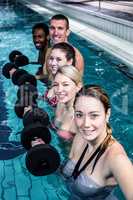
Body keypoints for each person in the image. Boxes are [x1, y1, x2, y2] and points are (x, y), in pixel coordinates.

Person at [61, 85, 133, 200]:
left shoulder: (116, 159)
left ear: (107, 114)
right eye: (79, 115)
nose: (86, 124)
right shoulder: (80, 136)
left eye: (94, 115)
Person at [40, 14, 84, 79]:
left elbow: (78, 84)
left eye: (60, 28)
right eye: (52, 28)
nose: (55, 33)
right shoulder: (49, 51)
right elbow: (48, 76)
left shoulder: (75, 56)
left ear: (67, 32)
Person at [52, 65, 82, 140]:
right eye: (56, 84)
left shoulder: (81, 118)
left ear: (78, 86)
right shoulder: (60, 103)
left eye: (65, 85)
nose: (59, 90)